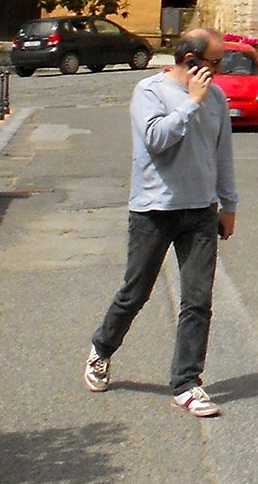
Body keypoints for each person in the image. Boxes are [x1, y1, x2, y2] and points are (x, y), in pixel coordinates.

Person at [85, 28, 237, 418]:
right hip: (154, 210)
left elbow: (223, 155)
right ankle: (101, 349)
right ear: (190, 61)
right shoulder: (149, 91)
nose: (219, 72)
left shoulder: (217, 97)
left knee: (198, 300)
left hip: (201, 211)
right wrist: (191, 103)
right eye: (215, 63)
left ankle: (186, 384)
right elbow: (155, 138)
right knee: (135, 292)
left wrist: (228, 204)